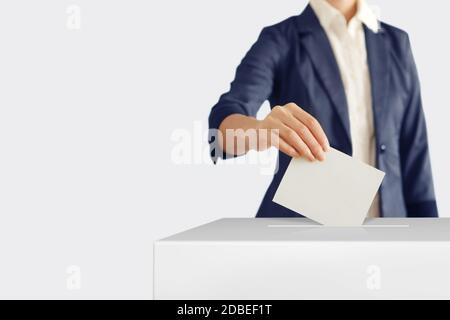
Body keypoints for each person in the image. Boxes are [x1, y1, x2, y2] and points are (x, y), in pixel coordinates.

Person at [208, 0, 438, 218]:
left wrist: (431, 243)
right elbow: (219, 133)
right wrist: (260, 130)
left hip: (387, 230)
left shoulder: (397, 43)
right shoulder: (280, 39)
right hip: (302, 232)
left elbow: (415, 152)